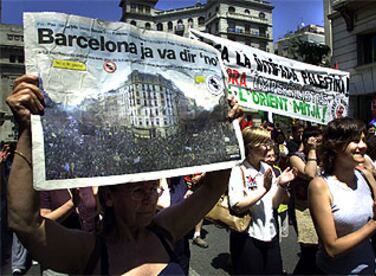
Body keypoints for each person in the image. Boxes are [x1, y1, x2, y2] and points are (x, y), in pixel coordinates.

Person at [6, 74, 242, 275]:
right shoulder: (88, 251)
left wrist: (226, 128)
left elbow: (211, 188)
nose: (150, 198)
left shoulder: (166, 230)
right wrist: (29, 131)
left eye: (153, 188)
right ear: (109, 197)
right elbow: (25, 223)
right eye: (138, 191)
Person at [309, 117, 376, 275]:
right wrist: (375, 222)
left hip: (371, 270)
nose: (363, 146)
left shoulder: (365, 175)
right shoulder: (320, 186)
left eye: (363, 140)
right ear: (335, 146)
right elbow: (332, 249)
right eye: (355, 141)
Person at [228, 126, 296, 275]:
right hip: (248, 236)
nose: (268, 147)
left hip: (270, 233)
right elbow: (237, 205)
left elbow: (274, 203)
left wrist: (282, 186)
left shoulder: (267, 169)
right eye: (264, 143)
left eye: (268, 142)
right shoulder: (238, 170)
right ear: (250, 147)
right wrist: (263, 190)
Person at [288, 126, 323, 274]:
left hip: (321, 206)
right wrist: (312, 151)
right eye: (317, 141)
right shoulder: (296, 157)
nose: (320, 144)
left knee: (321, 249)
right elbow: (310, 174)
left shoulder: (326, 157)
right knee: (309, 250)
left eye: (321, 141)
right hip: (302, 208)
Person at [264, 145, 289, 242]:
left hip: (280, 207)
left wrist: (283, 186)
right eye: (268, 156)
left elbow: (286, 196)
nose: (272, 159)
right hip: (266, 211)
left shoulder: (277, 170)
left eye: (274, 156)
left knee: (278, 237)